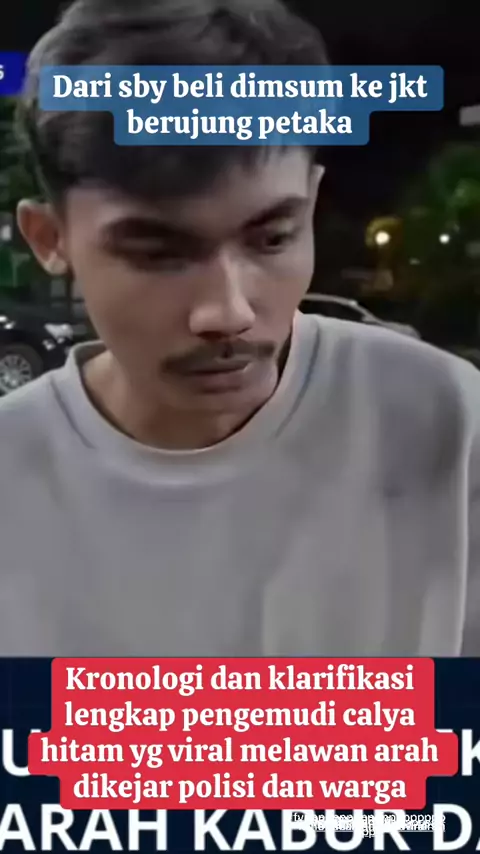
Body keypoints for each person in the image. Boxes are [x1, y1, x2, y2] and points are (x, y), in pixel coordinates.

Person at [0, 0, 479, 657]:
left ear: (310, 204)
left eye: (272, 238)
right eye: (158, 253)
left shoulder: (450, 422)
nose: (228, 312)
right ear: (50, 239)